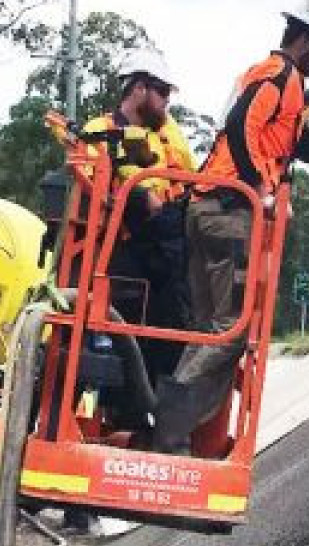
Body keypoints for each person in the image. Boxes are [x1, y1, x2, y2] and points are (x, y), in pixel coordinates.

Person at [150, 0, 309, 454]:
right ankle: (169, 432)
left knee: (214, 326)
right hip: (229, 212)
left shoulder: (286, 86)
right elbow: (239, 127)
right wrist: (258, 190)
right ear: (305, 39)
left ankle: (172, 429)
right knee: (233, 329)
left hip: (213, 208)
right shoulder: (279, 76)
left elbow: (306, 149)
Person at [80, 48, 195, 428]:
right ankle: (121, 416)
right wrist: (134, 194)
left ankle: (165, 425)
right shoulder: (99, 133)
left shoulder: (168, 134)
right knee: (118, 333)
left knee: (176, 329)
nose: (167, 101)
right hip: (121, 246)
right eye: (162, 92)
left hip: (167, 250)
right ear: (140, 88)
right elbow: (88, 183)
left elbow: (190, 181)